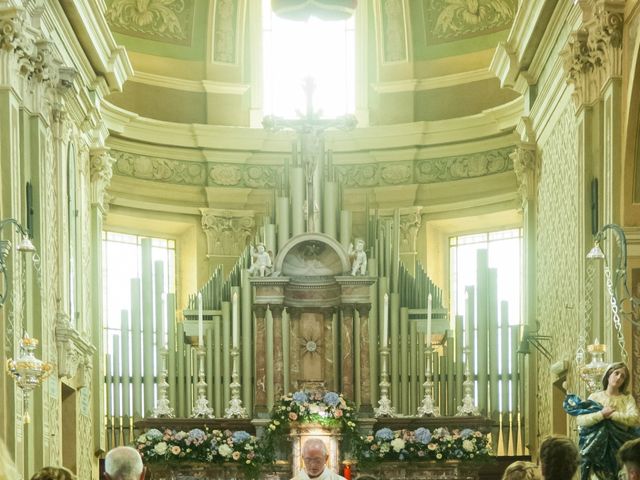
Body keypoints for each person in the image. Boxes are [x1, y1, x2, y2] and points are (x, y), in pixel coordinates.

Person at [565, 362, 640, 480]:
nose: (619, 377)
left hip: (620, 443)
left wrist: (612, 415)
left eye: (623, 376)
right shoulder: (595, 397)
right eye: (616, 373)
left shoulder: (627, 399)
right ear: (609, 374)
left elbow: (635, 419)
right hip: (597, 446)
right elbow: (581, 420)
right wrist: (601, 414)